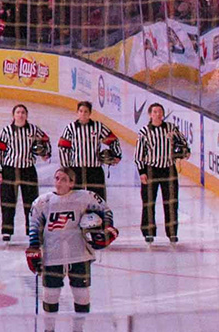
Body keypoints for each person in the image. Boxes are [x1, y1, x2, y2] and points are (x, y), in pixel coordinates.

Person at [28, 167, 117, 332]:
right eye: (56, 178)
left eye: (63, 179)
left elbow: (106, 212)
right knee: (50, 295)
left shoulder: (85, 197)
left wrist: (108, 231)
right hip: (53, 255)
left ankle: (78, 331)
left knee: (82, 295)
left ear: (72, 183)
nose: (58, 182)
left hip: (80, 254)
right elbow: (34, 226)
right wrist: (34, 248)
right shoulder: (43, 202)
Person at [134, 102, 190, 244]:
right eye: (155, 112)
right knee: (148, 203)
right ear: (150, 114)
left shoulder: (171, 128)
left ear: (163, 114)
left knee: (171, 202)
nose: (158, 114)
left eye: (160, 111)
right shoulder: (144, 132)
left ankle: (172, 233)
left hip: (169, 170)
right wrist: (142, 172)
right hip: (151, 170)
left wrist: (185, 152)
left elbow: (183, 143)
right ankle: (148, 232)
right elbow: (139, 155)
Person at [0, 103, 51, 240]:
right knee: (8, 201)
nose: (20, 115)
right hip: (9, 170)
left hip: (28, 170)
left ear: (26, 115)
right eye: (18, 112)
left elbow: (46, 140)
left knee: (31, 202)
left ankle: (31, 229)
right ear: (13, 115)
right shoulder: (6, 131)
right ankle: (7, 231)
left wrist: (45, 153)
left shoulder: (33, 129)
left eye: (23, 112)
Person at [56, 101, 121, 200]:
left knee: (98, 199)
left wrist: (117, 155)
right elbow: (63, 148)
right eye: (81, 111)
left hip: (94, 169)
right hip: (76, 169)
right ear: (77, 112)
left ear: (90, 113)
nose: (83, 114)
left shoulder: (98, 127)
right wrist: (66, 169)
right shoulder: (71, 128)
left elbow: (113, 140)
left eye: (86, 111)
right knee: (74, 199)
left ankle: (99, 216)